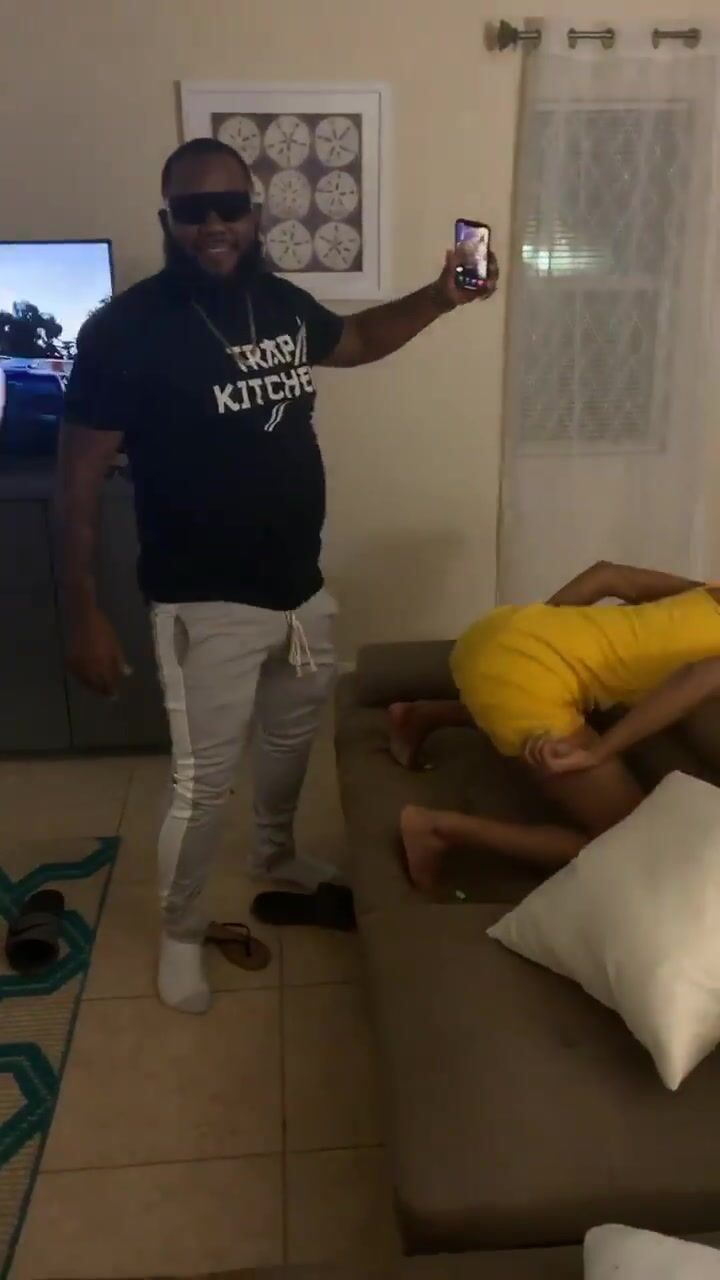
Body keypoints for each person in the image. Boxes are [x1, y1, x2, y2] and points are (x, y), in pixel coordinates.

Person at [55, 137, 498, 1013]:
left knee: (292, 742)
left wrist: (441, 297)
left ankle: (274, 853)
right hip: (202, 602)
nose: (214, 225)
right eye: (193, 211)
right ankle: (181, 933)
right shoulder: (124, 332)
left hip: (302, 589)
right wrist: (83, 615)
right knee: (201, 785)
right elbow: (74, 483)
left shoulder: (279, 302)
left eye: (230, 207)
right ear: (168, 220)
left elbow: (357, 339)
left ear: (255, 215)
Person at [391, 560, 720, 891]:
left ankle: (423, 716)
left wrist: (537, 633)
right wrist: (596, 752)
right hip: (522, 679)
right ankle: (437, 830)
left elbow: (608, 575)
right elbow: (696, 678)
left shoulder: (710, 591)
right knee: (630, 842)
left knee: (564, 689)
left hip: (500, 629)